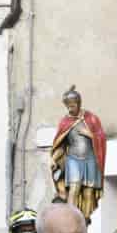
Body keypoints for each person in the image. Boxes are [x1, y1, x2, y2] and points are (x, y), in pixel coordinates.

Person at [49, 86, 107, 219]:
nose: (70, 109)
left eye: (73, 106)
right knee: (74, 189)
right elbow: (60, 146)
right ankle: (71, 219)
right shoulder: (65, 122)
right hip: (73, 159)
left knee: (88, 192)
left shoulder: (91, 119)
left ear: (79, 103)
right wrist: (53, 158)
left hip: (91, 159)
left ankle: (85, 221)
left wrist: (90, 134)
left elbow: (102, 137)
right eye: (68, 107)